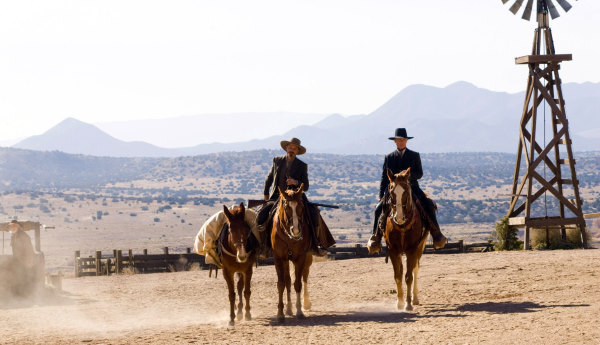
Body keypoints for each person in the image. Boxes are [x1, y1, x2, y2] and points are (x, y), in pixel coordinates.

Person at [367, 128, 447, 252]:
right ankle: (375, 237)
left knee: (428, 204)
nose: (401, 142)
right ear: (395, 141)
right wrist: (381, 194)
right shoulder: (389, 157)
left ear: (406, 141)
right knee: (379, 209)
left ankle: (436, 234)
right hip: (393, 190)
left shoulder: (414, 155)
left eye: (403, 139)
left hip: (412, 188)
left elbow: (419, 174)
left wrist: (406, 177)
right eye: (398, 140)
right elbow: (384, 177)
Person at [256, 137, 335, 256]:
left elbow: (306, 186)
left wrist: (296, 182)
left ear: (297, 151)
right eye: (290, 147)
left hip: (296, 197)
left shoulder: (302, 166)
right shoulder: (277, 161)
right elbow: (269, 179)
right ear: (286, 148)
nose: (291, 150)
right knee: (261, 217)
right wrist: (266, 197)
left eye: (294, 148)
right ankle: (263, 247)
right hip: (277, 197)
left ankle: (317, 245)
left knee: (314, 215)